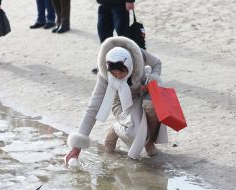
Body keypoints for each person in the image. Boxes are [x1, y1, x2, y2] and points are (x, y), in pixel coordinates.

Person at [65, 36, 168, 166]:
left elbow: (157, 63)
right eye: (114, 74)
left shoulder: (137, 54)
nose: (118, 77)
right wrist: (76, 147)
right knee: (134, 132)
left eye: (122, 73)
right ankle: (115, 129)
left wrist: (152, 80)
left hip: (141, 94)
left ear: (129, 66)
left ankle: (148, 141)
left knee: (155, 106)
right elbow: (93, 107)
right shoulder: (104, 75)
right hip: (120, 102)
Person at [91, 0, 135, 74]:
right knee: (104, 37)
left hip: (120, 5)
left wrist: (130, 1)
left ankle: (128, 65)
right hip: (103, 4)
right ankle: (105, 66)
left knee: (123, 38)